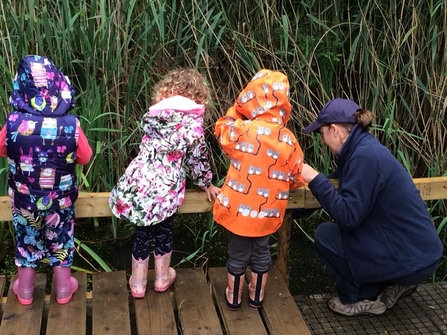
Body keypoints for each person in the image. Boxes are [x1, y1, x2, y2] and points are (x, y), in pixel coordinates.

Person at [297, 98, 443, 316]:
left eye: (322, 133)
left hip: (414, 257)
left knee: (325, 235)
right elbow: (330, 188)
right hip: (417, 249)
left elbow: (348, 217)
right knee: (348, 234)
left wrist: (313, 177)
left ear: (335, 130)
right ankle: (393, 284)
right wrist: (292, 208)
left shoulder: (364, 157)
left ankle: (361, 296)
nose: (323, 140)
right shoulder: (361, 149)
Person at [109, 68, 220, 298]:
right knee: (164, 231)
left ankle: (138, 284)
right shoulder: (192, 126)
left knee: (142, 232)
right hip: (166, 187)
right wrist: (206, 183)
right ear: (198, 97)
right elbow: (197, 159)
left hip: (140, 182)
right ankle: (161, 279)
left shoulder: (154, 117)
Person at [0, 55, 93, 305]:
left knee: (26, 241)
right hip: (60, 202)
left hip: (23, 201)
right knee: (61, 239)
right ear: (58, 86)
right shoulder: (71, 124)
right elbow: (86, 156)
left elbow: (1, 148)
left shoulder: (12, 123)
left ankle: (26, 291)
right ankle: (64, 289)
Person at [213, 69, 305, 310]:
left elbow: (221, 128)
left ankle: (233, 298)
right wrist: (290, 185)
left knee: (237, 253)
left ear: (251, 97)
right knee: (262, 251)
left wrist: (236, 108)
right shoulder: (288, 138)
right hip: (268, 212)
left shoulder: (242, 130)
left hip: (239, 212)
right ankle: (257, 296)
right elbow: (297, 175)